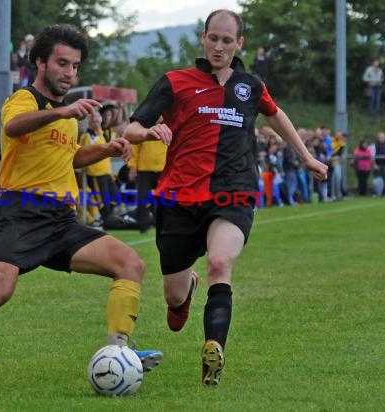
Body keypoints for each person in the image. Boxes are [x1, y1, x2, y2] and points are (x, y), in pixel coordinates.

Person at [0, 23, 162, 383]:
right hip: (18, 214)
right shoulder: (25, 100)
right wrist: (62, 113)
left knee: (131, 265)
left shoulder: (67, 116)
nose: (70, 73)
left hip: (61, 220)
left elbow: (69, 157)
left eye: (75, 66)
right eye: (63, 64)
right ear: (40, 63)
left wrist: (106, 149)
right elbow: (14, 127)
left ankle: (120, 350)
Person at [124, 9, 328, 386]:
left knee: (220, 263)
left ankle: (213, 352)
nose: (219, 46)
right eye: (213, 38)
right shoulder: (174, 81)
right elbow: (133, 125)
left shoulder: (249, 84)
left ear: (239, 44)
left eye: (227, 40)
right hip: (179, 197)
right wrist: (150, 132)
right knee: (172, 298)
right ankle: (185, 295)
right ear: (203, 38)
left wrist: (306, 156)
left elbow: (275, 114)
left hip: (233, 192)